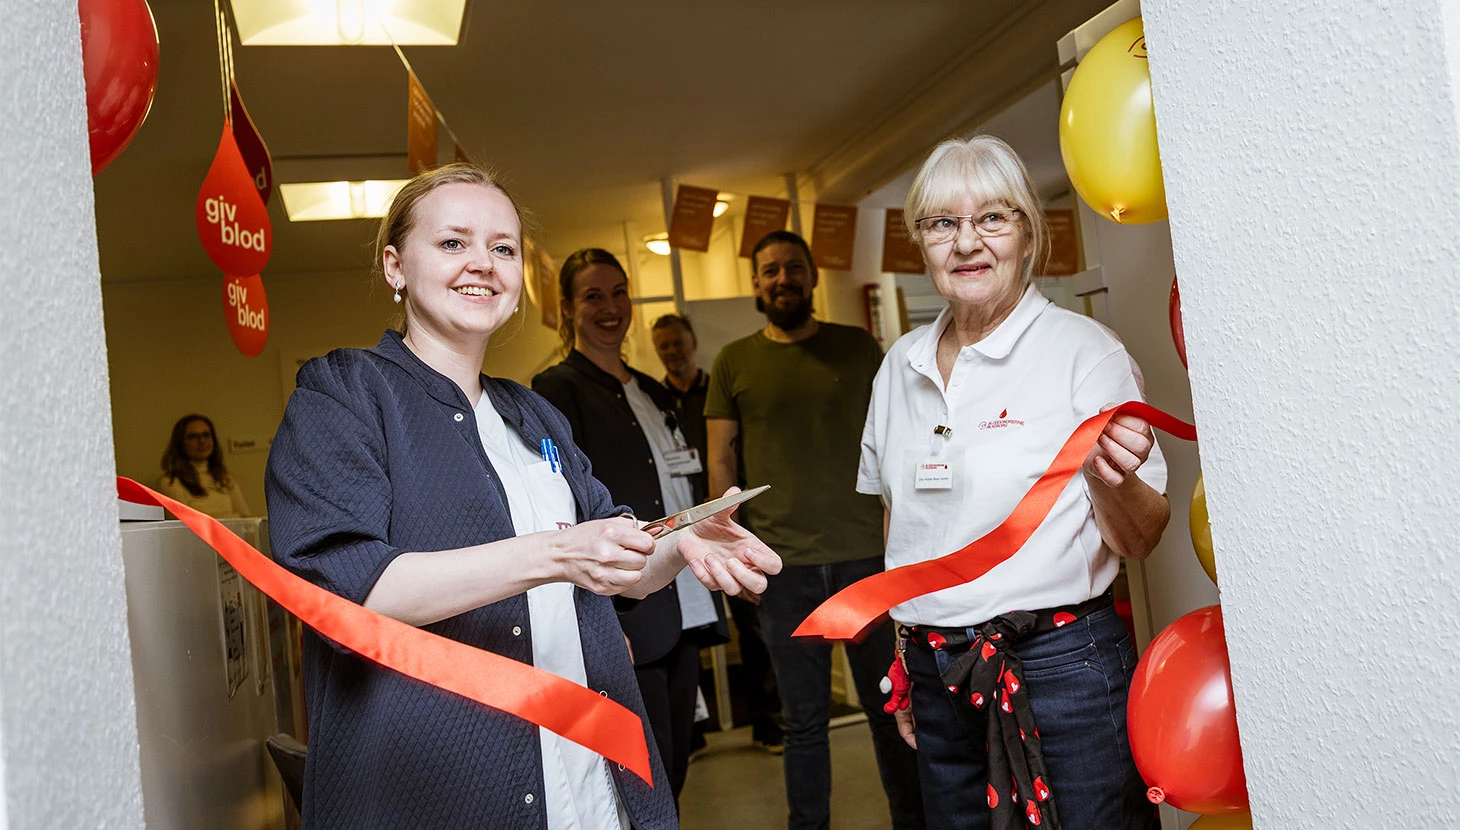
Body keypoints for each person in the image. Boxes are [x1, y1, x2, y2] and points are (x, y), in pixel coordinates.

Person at [264, 163, 780, 830]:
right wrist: (556, 554)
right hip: (445, 788)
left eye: (502, 248)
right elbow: (343, 593)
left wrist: (680, 540)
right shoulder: (345, 392)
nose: (482, 263)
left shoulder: (534, 414)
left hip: (590, 770)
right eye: (453, 242)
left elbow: (620, 565)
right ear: (395, 266)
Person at [858, 135, 1169, 829]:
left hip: (1062, 671)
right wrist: (904, 653)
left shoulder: (1086, 353)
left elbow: (1142, 539)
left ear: (1028, 234)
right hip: (937, 674)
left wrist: (1110, 478)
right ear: (921, 242)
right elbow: (901, 524)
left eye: (993, 218)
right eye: (943, 223)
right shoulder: (899, 365)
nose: (967, 242)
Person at [705, 231, 925, 830]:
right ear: (756, 283)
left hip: (867, 560)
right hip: (784, 568)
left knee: (889, 708)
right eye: (771, 270)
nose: (784, 279)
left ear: (812, 276)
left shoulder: (857, 347)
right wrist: (734, 552)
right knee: (803, 723)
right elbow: (721, 461)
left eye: (794, 267)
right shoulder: (733, 362)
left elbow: (898, 437)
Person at [531, 250, 730, 802]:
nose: (610, 307)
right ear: (568, 308)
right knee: (646, 772)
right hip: (625, 607)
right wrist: (598, 612)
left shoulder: (652, 389)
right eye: (593, 296)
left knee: (678, 761)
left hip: (681, 597)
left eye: (619, 293)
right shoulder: (555, 391)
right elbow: (560, 503)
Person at [651, 313, 784, 754]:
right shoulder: (655, 400)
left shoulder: (716, 392)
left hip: (725, 523)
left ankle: (768, 722)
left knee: (752, 628)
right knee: (684, 627)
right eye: (663, 345)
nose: (672, 351)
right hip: (676, 529)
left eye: (677, 342)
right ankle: (692, 731)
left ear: (692, 342)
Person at [157, 414, 251, 518]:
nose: (202, 441)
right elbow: (187, 523)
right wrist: (232, 518)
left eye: (206, 435)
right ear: (181, 443)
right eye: (193, 437)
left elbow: (246, 519)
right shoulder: (170, 483)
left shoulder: (226, 479)